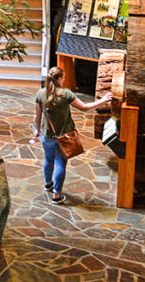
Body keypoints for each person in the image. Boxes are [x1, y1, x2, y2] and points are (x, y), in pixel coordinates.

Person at [32, 66, 112, 204]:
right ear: (59, 79)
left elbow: (37, 116)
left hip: (47, 136)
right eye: (63, 77)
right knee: (60, 164)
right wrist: (103, 100)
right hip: (64, 137)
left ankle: (47, 184)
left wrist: (38, 131)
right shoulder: (65, 94)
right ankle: (56, 195)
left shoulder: (40, 93)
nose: (64, 80)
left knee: (48, 159)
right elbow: (84, 107)